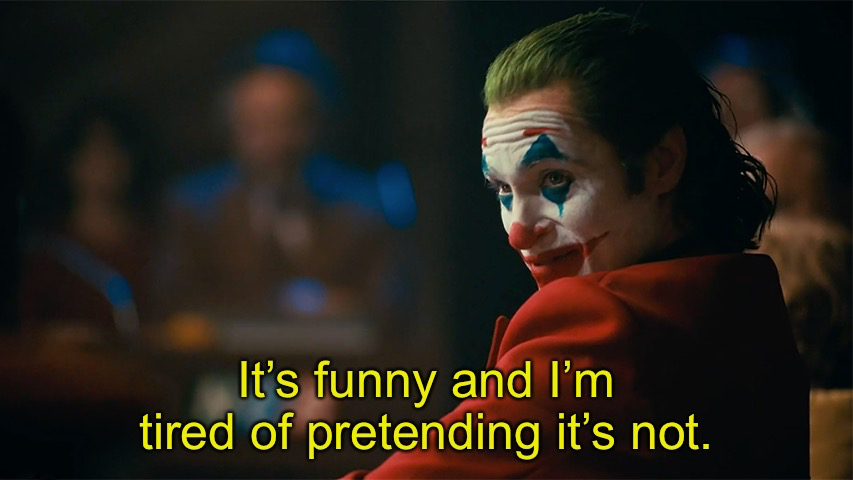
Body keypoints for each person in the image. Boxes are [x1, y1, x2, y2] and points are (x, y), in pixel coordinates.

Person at [345, 11, 808, 478]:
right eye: (503, 189)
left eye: (555, 178)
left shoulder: (600, 321)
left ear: (662, 164)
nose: (517, 230)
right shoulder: (739, 293)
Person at [157, 30, 410, 323]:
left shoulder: (363, 207)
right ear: (229, 125)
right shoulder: (193, 207)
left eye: (286, 122)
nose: (273, 142)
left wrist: (337, 308)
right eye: (255, 124)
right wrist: (277, 304)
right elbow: (174, 305)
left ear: (315, 123)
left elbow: (392, 307)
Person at [19, 99, 159, 336]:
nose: (106, 164)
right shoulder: (46, 254)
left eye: (116, 150)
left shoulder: (157, 245)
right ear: (70, 161)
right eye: (94, 152)